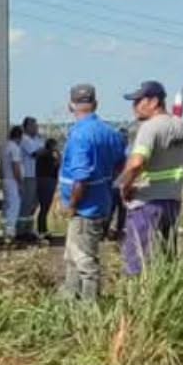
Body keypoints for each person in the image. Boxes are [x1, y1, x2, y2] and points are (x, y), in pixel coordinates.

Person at [118, 79, 183, 277]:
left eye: (138, 101)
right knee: (168, 258)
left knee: (137, 262)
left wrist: (126, 186)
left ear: (154, 101)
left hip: (146, 202)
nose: (134, 107)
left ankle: (138, 294)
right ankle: (167, 291)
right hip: (172, 200)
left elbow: (136, 163)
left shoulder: (149, 128)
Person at [58, 83, 126, 301]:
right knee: (72, 256)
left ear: (71, 106)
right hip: (102, 202)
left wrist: (72, 205)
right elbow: (120, 164)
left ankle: (89, 306)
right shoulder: (109, 132)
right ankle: (70, 297)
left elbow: (81, 177)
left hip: (84, 208)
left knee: (84, 260)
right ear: (95, 104)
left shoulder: (79, 135)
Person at [18, 116, 45, 240]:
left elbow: (43, 150)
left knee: (33, 204)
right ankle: (20, 231)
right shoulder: (24, 139)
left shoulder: (36, 139)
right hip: (27, 175)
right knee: (26, 203)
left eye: (36, 125)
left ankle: (28, 229)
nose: (36, 128)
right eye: (34, 125)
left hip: (35, 175)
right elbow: (35, 153)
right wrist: (46, 150)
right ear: (27, 127)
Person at [0, 125, 24, 241]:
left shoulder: (5, 147)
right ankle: (10, 231)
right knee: (14, 205)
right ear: (20, 136)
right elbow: (16, 167)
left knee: (7, 204)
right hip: (12, 180)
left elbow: (0, 166)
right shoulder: (15, 148)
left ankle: (4, 228)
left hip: (5, 178)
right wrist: (20, 182)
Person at [34, 134, 61, 239]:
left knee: (43, 207)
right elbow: (54, 166)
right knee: (45, 207)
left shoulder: (41, 153)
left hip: (41, 180)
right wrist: (58, 157)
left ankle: (43, 229)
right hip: (47, 181)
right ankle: (42, 230)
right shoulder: (48, 155)